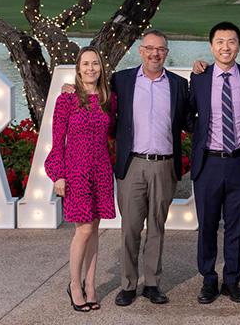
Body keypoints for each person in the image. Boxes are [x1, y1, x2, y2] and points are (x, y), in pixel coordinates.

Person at [60, 31, 189, 307]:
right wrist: (71, 88)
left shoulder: (179, 84)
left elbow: (191, 118)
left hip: (165, 164)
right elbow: (93, 98)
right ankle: (128, 285)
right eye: (150, 49)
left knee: (157, 226)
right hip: (131, 164)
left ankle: (152, 283)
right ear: (141, 51)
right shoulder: (123, 81)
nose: (155, 54)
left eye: (161, 49)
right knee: (129, 227)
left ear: (166, 53)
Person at [189, 21, 240, 305]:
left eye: (231, 41)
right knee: (207, 225)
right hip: (209, 162)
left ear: (239, 46)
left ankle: (232, 280)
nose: (226, 47)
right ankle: (208, 279)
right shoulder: (200, 77)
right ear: (211, 46)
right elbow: (187, 112)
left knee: (236, 226)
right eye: (220, 41)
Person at [45, 46, 117, 313]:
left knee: (94, 229)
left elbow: (113, 133)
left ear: (101, 68)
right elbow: (57, 141)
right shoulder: (66, 99)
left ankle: (91, 285)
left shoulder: (109, 98)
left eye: (95, 64)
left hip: (100, 170)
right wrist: (58, 174)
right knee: (83, 229)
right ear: (78, 69)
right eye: (85, 64)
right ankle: (74, 285)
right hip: (76, 171)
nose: (90, 68)